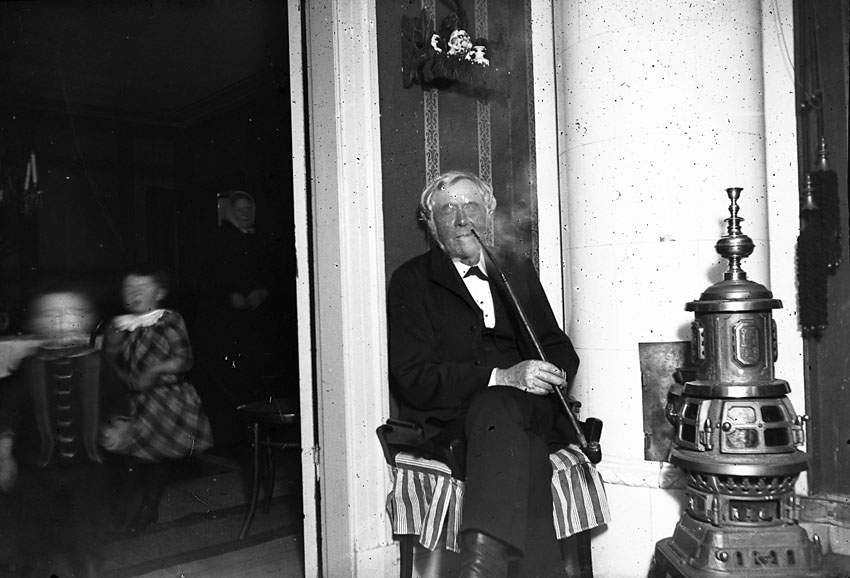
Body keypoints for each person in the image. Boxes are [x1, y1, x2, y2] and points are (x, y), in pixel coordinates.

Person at [387, 171, 580, 578]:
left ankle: (477, 570)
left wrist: (552, 372)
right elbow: (414, 377)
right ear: (431, 222)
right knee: (524, 447)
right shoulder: (411, 280)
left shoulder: (515, 268)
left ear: (488, 212)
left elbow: (557, 345)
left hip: (530, 407)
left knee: (501, 411)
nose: (462, 219)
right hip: (455, 419)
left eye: (471, 207)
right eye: (448, 210)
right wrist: (501, 377)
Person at [0, 283, 121, 577]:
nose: (61, 321)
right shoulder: (29, 366)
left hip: (89, 468)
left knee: (86, 533)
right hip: (37, 470)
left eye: (72, 314)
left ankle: (88, 569)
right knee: (33, 536)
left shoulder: (99, 364)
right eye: (51, 315)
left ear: (88, 319)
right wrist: (4, 455)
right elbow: (10, 413)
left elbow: (119, 402)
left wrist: (120, 428)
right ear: (36, 324)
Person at [100, 263, 214, 533]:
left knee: (152, 457)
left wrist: (153, 371)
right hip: (136, 399)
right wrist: (124, 375)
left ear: (160, 293)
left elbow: (184, 359)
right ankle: (131, 510)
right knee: (134, 455)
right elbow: (108, 359)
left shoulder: (168, 319)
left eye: (142, 287)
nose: (134, 293)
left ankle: (146, 508)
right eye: (129, 288)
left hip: (167, 399)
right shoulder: (120, 325)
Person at [192, 190, 286, 456]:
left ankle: (256, 439)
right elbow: (201, 279)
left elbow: (276, 275)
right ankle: (232, 440)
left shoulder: (262, 240)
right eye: (240, 209)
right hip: (223, 325)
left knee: (256, 379)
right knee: (229, 381)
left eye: (249, 209)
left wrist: (263, 291)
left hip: (256, 323)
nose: (245, 214)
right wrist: (227, 296)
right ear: (230, 211)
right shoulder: (215, 240)